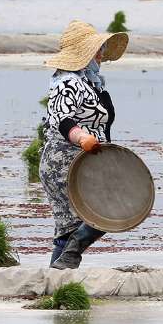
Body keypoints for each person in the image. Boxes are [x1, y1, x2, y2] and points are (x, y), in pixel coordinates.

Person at [40, 19, 128, 269]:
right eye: (97, 50)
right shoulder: (67, 82)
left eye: (100, 50)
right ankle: (67, 263)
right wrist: (81, 137)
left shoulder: (90, 82)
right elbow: (61, 120)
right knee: (102, 211)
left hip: (88, 161)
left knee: (72, 225)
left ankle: (59, 276)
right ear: (86, 54)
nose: (101, 55)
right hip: (64, 162)